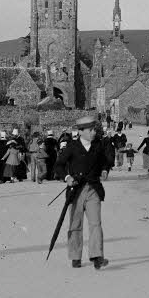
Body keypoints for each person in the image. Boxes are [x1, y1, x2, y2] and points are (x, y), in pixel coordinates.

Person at [53, 113, 115, 269]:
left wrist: (105, 170)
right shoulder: (71, 147)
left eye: (94, 129)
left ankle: (97, 256)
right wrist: (67, 177)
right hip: (76, 191)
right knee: (75, 224)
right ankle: (75, 256)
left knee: (96, 224)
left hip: (93, 189)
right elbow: (58, 165)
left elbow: (105, 161)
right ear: (81, 132)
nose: (94, 132)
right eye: (90, 130)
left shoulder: (98, 146)